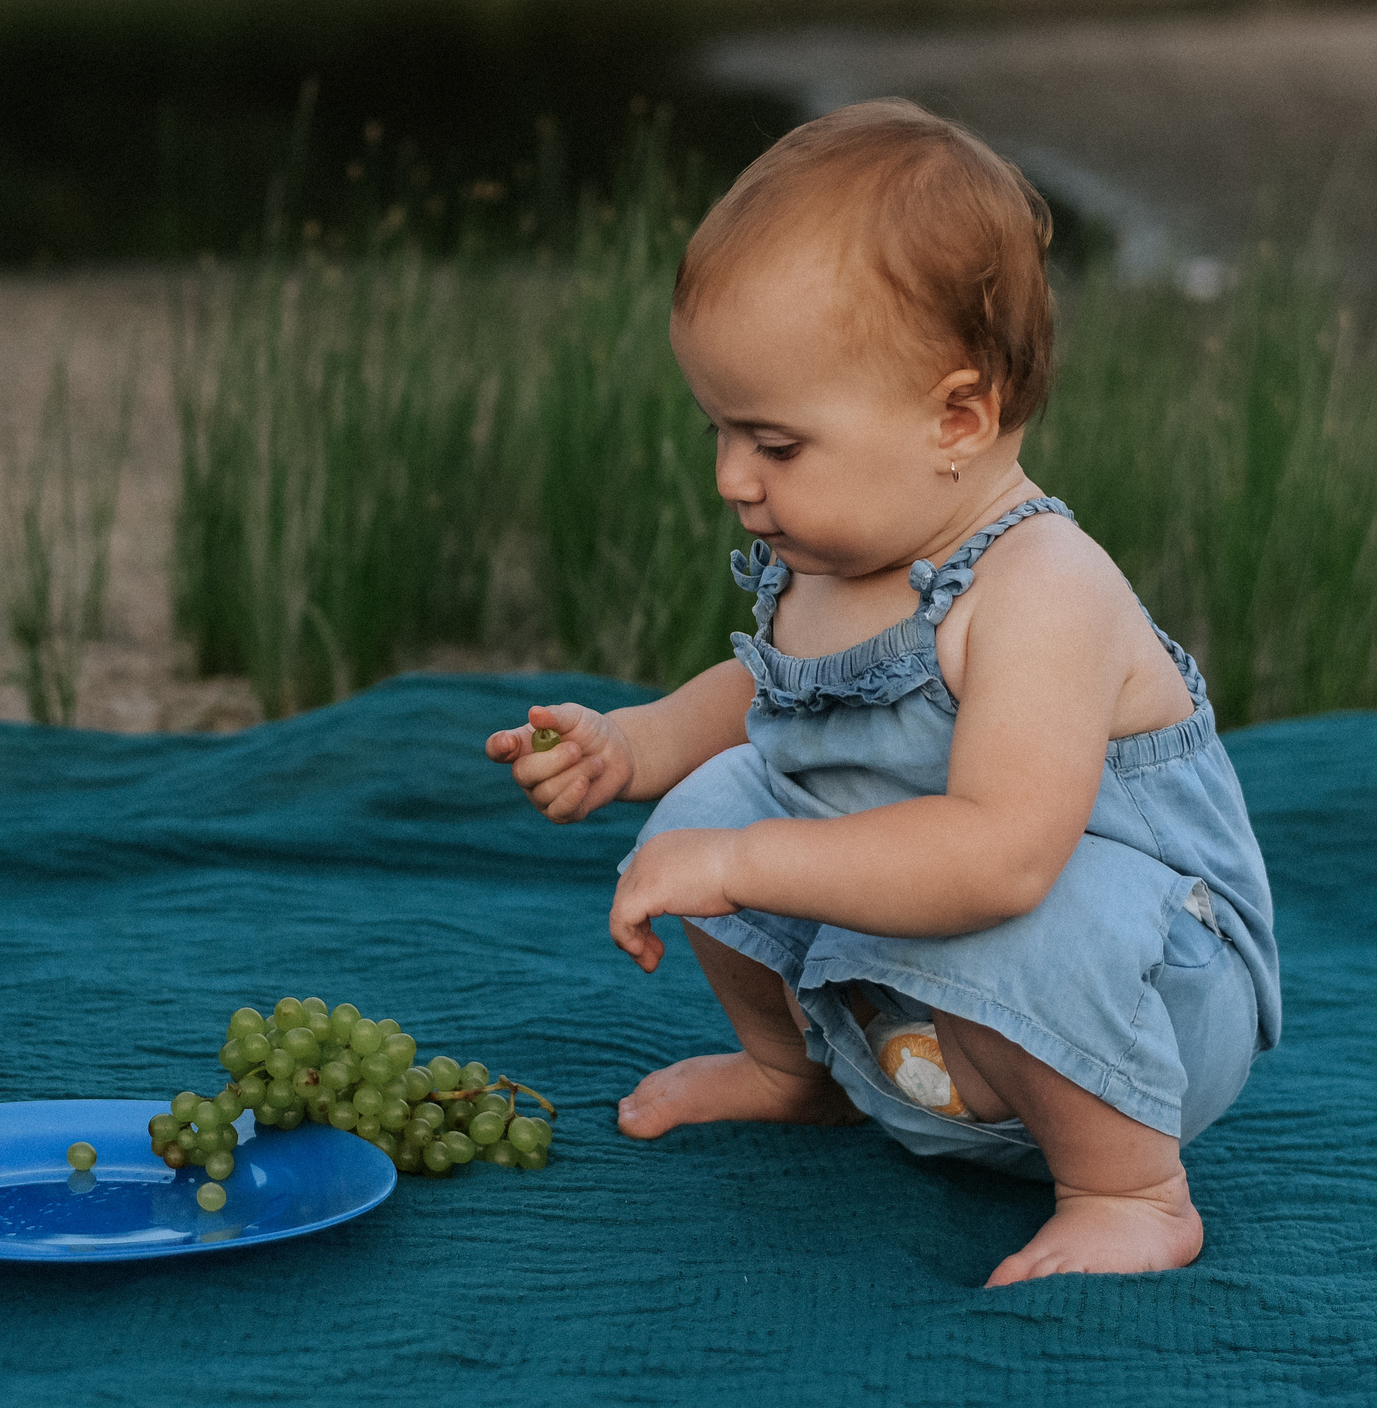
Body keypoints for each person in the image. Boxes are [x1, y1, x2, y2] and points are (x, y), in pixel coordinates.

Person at [484, 99, 1278, 1286]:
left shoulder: (1039, 587)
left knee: (1022, 903)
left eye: (773, 443)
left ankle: (1128, 1191)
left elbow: (1002, 855)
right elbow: (775, 697)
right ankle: (796, 1071)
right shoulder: (839, 554)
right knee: (709, 802)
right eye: (717, 430)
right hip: (910, 1013)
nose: (729, 478)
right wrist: (635, 744)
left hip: (1142, 1012)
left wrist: (744, 866)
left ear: (955, 418)